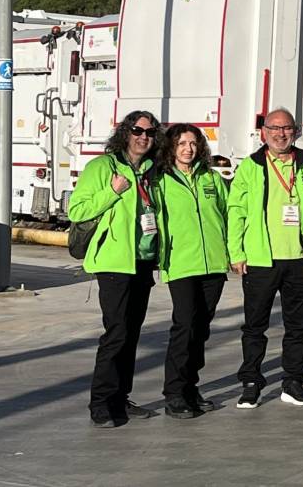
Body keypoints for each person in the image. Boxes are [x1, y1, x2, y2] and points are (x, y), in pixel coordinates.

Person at [228, 107, 303, 409]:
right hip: (261, 260)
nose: (281, 134)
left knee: (298, 327)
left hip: (299, 258)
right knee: (255, 326)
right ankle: (251, 382)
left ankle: (293, 382)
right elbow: (236, 210)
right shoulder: (251, 166)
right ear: (263, 133)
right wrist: (237, 252)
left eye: (287, 128)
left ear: (295, 132)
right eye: (274, 128)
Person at [69, 111, 162, 427]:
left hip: (142, 262)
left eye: (150, 132)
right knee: (117, 332)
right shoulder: (102, 167)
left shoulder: (151, 171)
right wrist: (113, 190)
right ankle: (101, 403)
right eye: (137, 130)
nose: (143, 137)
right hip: (113, 263)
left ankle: (121, 397)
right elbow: (77, 210)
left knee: (131, 334)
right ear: (125, 133)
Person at [154, 123, 230, 420]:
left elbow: (228, 216)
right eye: (182, 143)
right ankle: (174, 393)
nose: (188, 149)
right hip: (182, 264)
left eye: (193, 143)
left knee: (201, 328)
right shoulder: (161, 182)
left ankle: (190, 387)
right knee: (184, 326)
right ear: (171, 147)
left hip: (213, 264)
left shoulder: (211, 179)